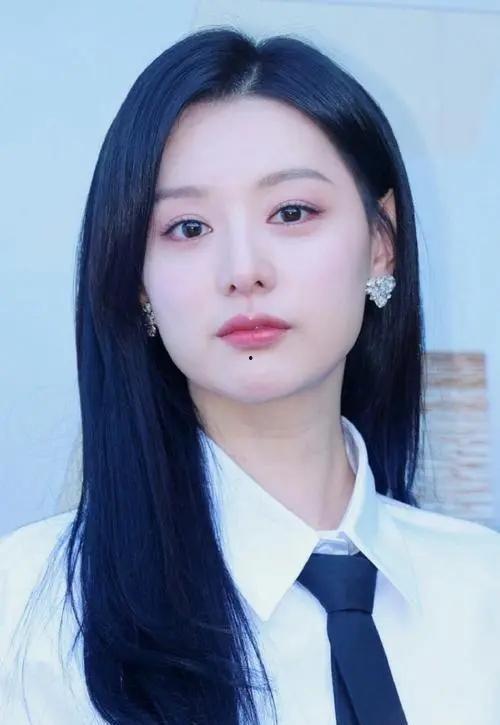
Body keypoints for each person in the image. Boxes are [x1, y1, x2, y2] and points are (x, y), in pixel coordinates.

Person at [1, 25, 499, 725]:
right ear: (138, 281)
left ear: (381, 244)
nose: (243, 270)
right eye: (188, 228)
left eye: (291, 213)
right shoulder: (30, 611)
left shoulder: (483, 590)